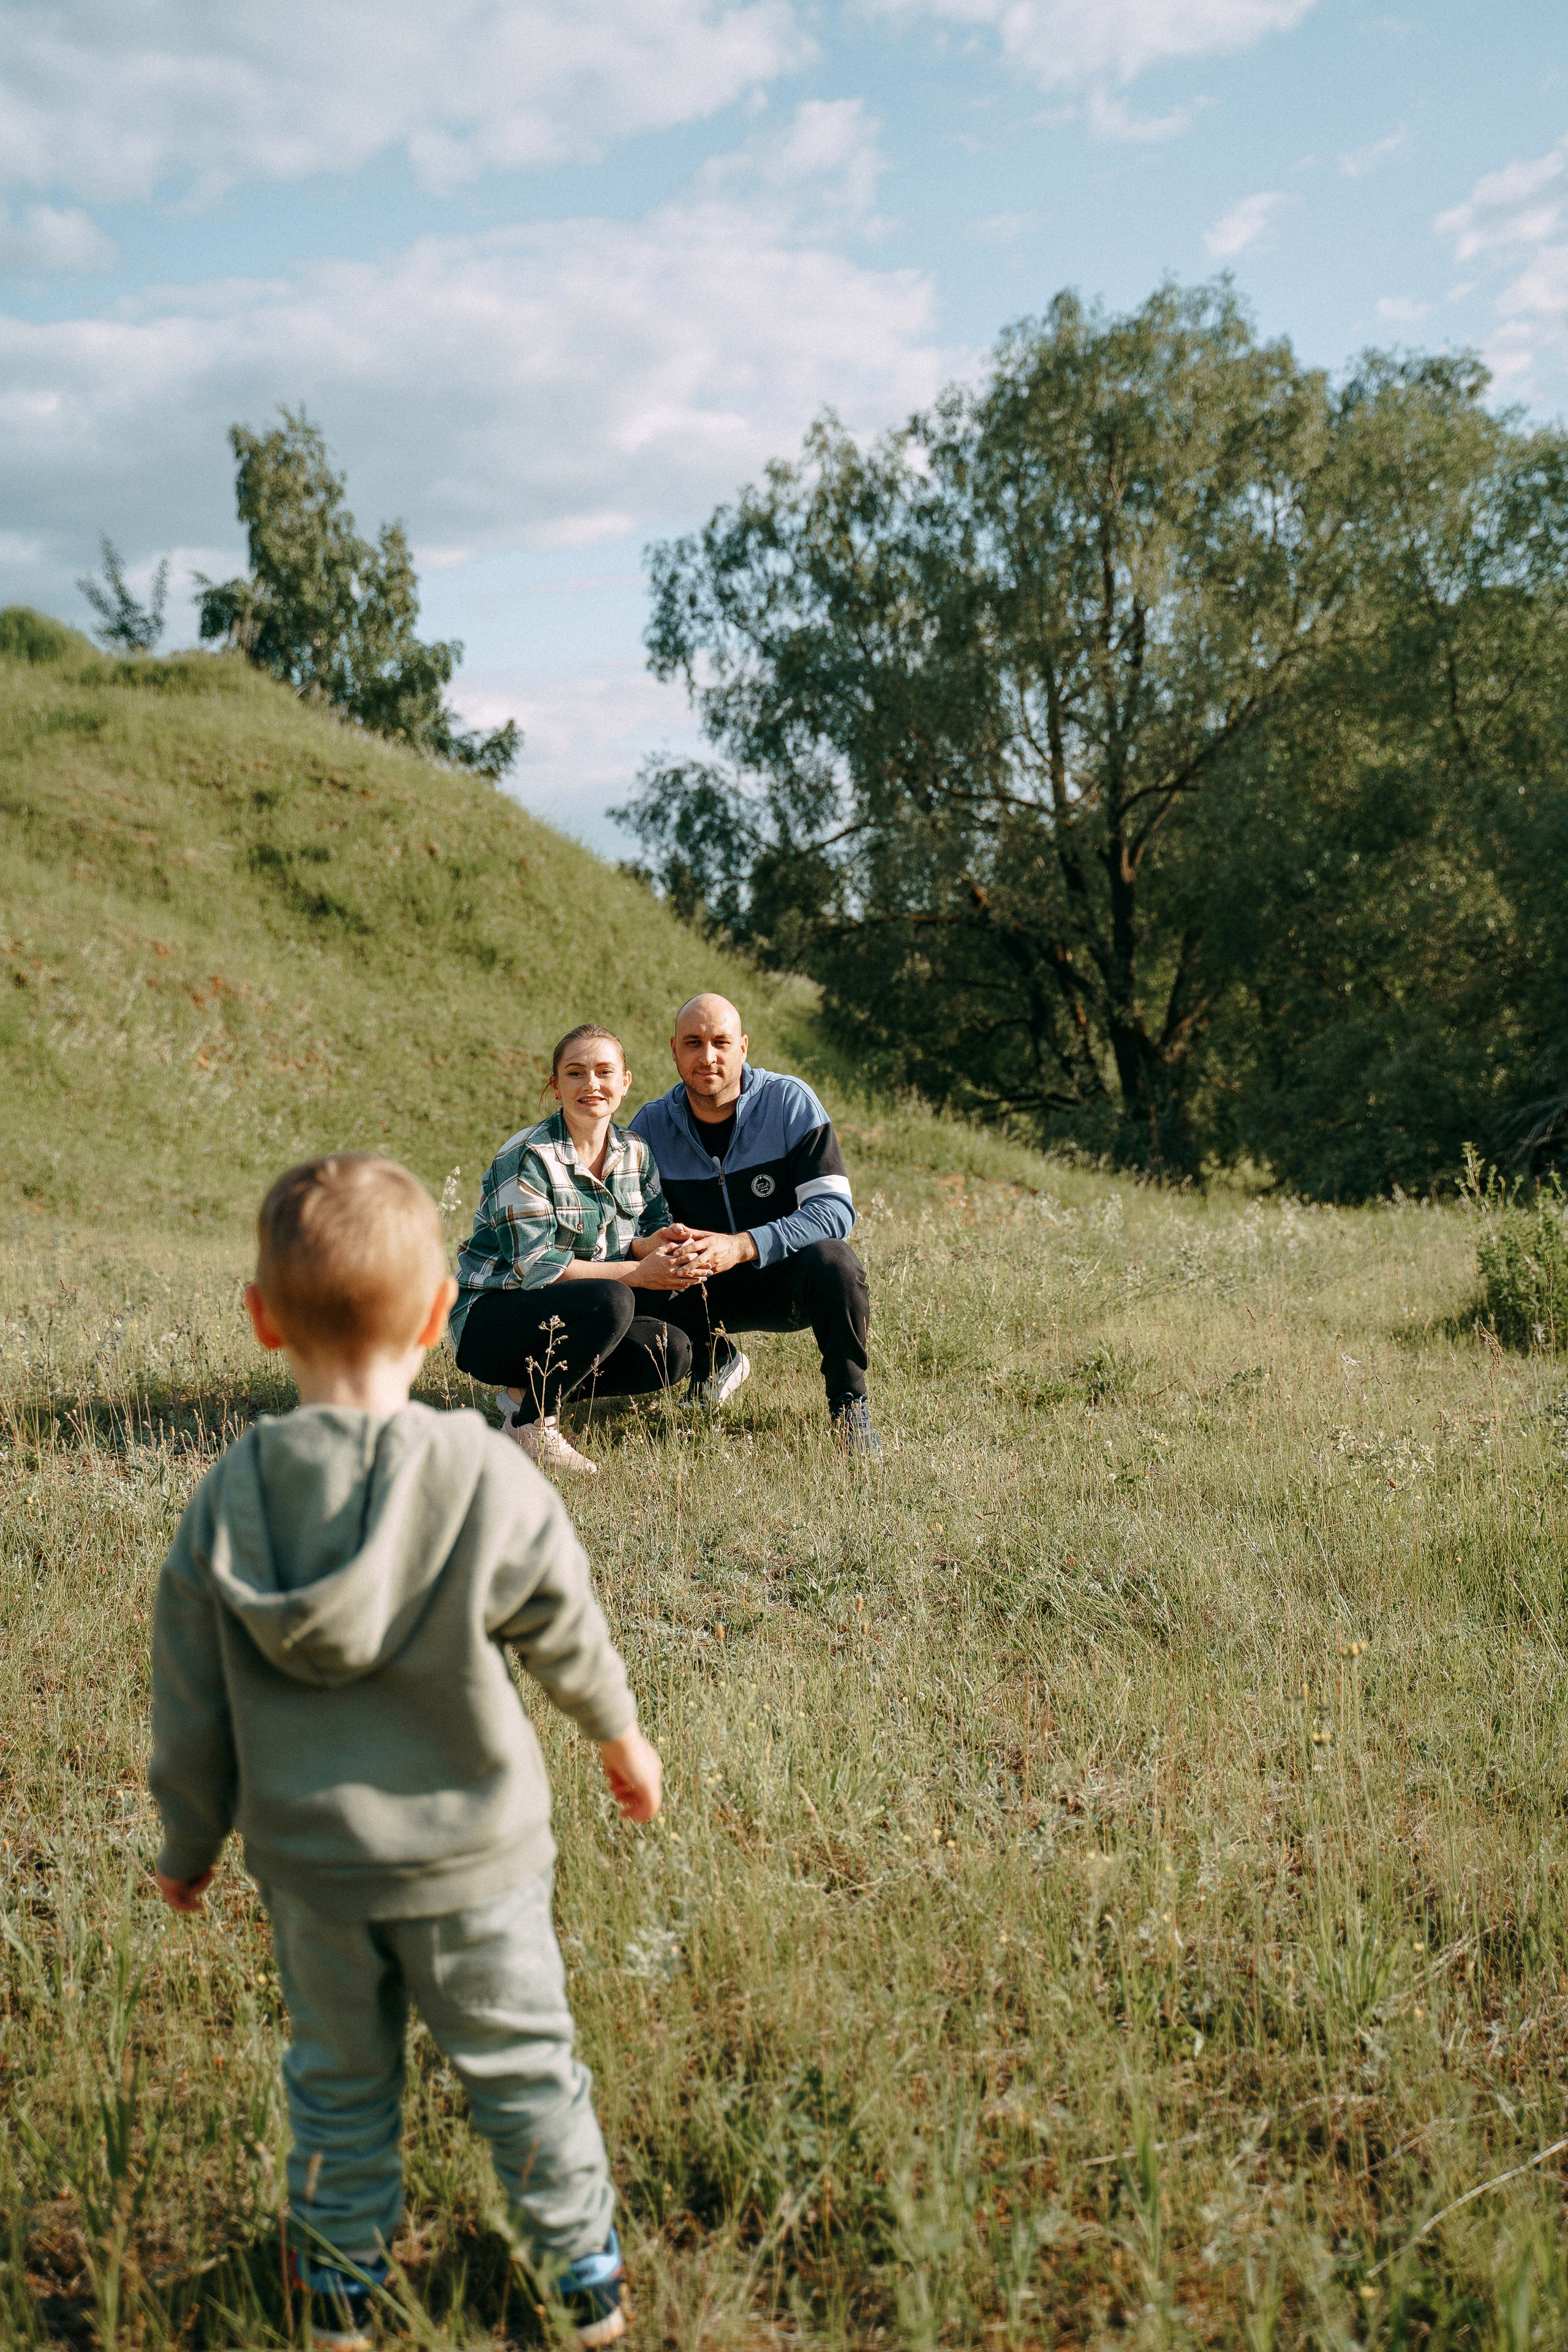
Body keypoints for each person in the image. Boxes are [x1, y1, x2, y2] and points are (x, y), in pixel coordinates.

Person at [148, 1152, 662, 2351]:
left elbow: (191, 1704)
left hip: (312, 1870)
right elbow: (561, 1623)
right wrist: (616, 1732)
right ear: (441, 1317)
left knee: (337, 2085)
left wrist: (187, 1840)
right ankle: (581, 2275)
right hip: (476, 1857)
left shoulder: (228, 1497)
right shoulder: (481, 1472)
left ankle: (336, 2295)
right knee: (523, 2061)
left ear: (261, 1318)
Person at [450, 1023, 707, 1477]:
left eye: (605, 1071)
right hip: (490, 1320)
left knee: (672, 1352)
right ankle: (532, 1426)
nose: (592, 1084)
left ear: (625, 1082)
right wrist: (639, 1272)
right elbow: (537, 1268)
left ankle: (521, 1396)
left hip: (573, 1310)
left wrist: (661, 1244)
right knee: (613, 1297)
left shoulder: (635, 1152)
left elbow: (647, 1226)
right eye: (575, 1073)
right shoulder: (529, 1155)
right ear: (556, 1087)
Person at [629, 993, 880, 1456]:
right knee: (623, 1279)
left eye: (721, 1042)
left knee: (836, 1260)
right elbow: (627, 1228)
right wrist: (651, 1247)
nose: (708, 1057)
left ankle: (850, 1406)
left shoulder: (790, 1102)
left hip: (784, 1282)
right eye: (693, 1043)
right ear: (674, 1050)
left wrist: (743, 1245)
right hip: (698, 1289)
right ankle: (712, 1359)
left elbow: (835, 1211)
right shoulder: (650, 1125)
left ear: (743, 1047)